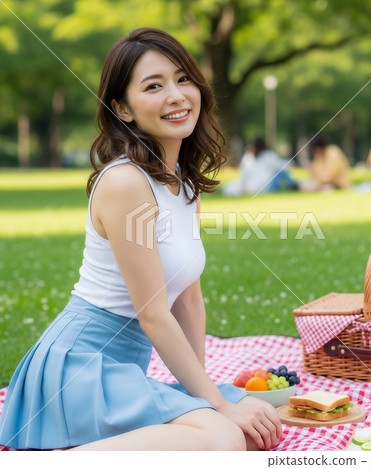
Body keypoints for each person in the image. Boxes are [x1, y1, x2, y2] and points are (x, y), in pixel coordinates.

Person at [0, 28, 281, 451]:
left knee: (252, 424)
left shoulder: (184, 183)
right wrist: (215, 409)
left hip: (123, 370)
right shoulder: (125, 183)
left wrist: (203, 399)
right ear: (123, 109)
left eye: (183, 79)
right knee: (225, 437)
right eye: (154, 86)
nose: (176, 95)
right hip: (80, 368)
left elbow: (188, 301)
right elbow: (153, 315)